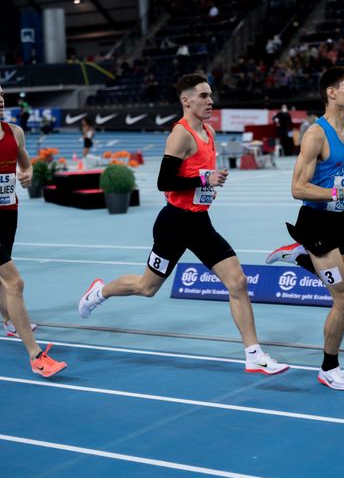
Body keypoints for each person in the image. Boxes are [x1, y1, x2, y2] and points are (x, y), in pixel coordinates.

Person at [79, 73, 288, 376]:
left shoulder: (209, 132)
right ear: (185, 100)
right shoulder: (181, 134)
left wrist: (208, 183)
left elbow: (195, 175)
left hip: (199, 222)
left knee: (238, 282)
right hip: (174, 223)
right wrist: (205, 178)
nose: (210, 101)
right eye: (203, 96)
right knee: (146, 287)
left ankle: (253, 354)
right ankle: (100, 292)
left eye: (211, 95)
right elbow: (164, 181)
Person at [265, 66, 344, 391]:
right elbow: (298, 188)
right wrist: (340, 194)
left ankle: (300, 258)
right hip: (317, 226)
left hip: (343, 222)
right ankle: (329, 367)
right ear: (332, 92)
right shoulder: (315, 134)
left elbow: (343, 180)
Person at [0, 86, 67, 377]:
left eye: (2, 94)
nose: (1, 99)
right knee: (14, 282)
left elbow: (25, 165)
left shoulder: (15, 132)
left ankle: (9, 318)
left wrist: (26, 174)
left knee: (3, 277)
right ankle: (35, 355)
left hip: (8, 214)